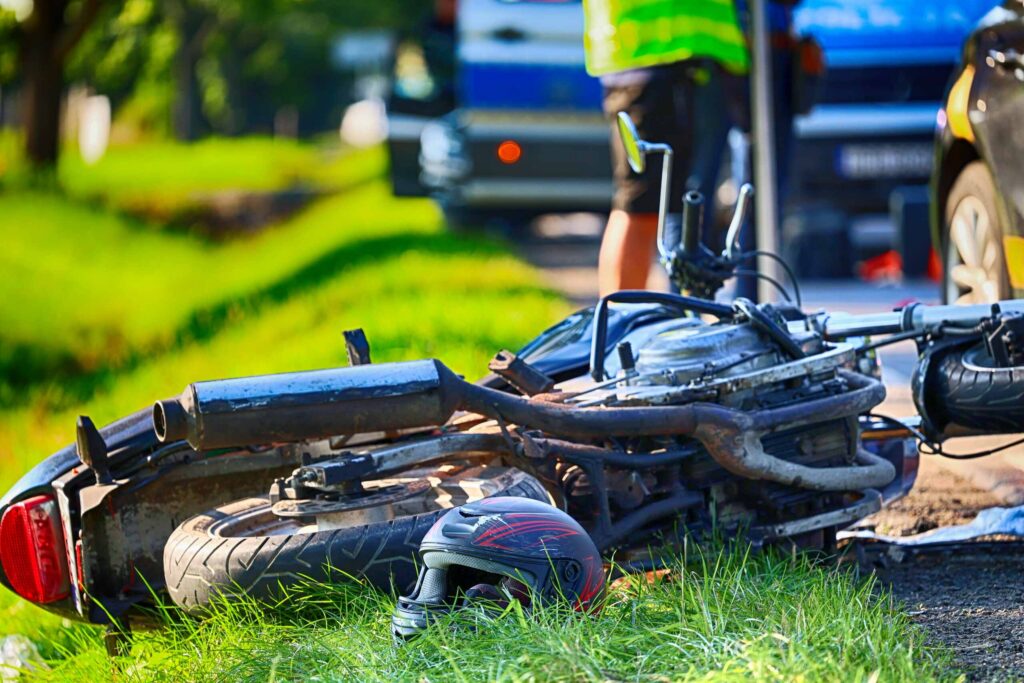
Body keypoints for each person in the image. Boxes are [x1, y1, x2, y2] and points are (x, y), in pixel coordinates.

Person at [583, 0, 803, 298]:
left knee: (669, 207)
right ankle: (617, 329)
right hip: (655, 52)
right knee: (643, 207)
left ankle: (656, 319)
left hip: (692, 56)